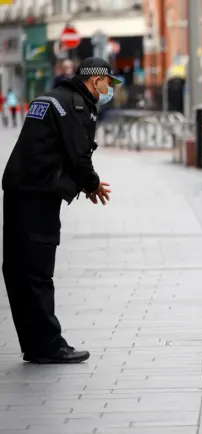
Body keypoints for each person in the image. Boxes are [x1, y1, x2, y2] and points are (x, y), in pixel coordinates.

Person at [2, 57, 119, 364]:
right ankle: (50, 345)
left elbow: (47, 149)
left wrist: (81, 183)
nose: (111, 89)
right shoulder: (78, 106)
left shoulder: (49, 98)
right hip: (38, 196)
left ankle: (34, 344)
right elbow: (78, 157)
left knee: (17, 270)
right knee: (38, 271)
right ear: (95, 81)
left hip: (17, 190)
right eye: (110, 83)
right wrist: (92, 184)